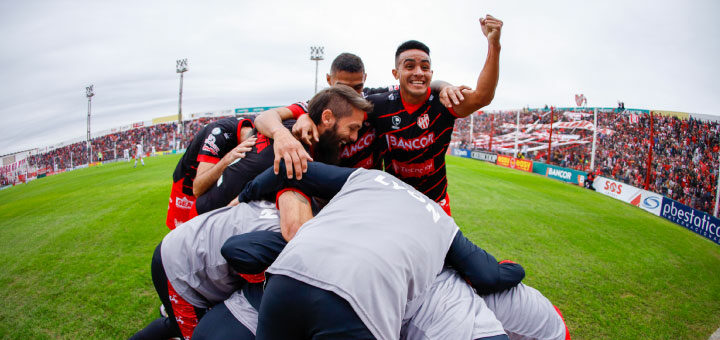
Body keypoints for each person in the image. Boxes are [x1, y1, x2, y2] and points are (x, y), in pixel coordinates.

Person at [231, 161, 525, 339]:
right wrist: (516, 268)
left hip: (287, 276)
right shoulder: (439, 216)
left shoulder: (370, 178)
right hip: (357, 299)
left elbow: (288, 169)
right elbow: (488, 275)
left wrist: (244, 195)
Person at [261, 15, 503, 216]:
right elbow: (274, 116)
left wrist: (493, 46)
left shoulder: (437, 102)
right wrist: (301, 118)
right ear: (395, 73)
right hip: (389, 199)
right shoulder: (366, 105)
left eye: (425, 67)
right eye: (409, 66)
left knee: (440, 261)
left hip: (434, 201)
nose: (418, 72)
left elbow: (482, 96)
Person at [193, 84, 374, 215]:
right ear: (326, 118)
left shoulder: (293, 128)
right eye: (352, 128)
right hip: (209, 220)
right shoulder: (294, 152)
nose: (354, 138)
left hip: (214, 210)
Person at [128, 199, 294, 340]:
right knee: (193, 333)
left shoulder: (287, 207)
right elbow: (238, 256)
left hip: (190, 246)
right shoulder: (283, 238)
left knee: (185, 322)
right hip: (180, 268)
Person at [165, 117, 256, 229]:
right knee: (182, 236)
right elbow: (197, 188)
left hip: (211, 186)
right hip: (186, 185)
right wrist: (228, 159)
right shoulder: (217, 134)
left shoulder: (250, 125)